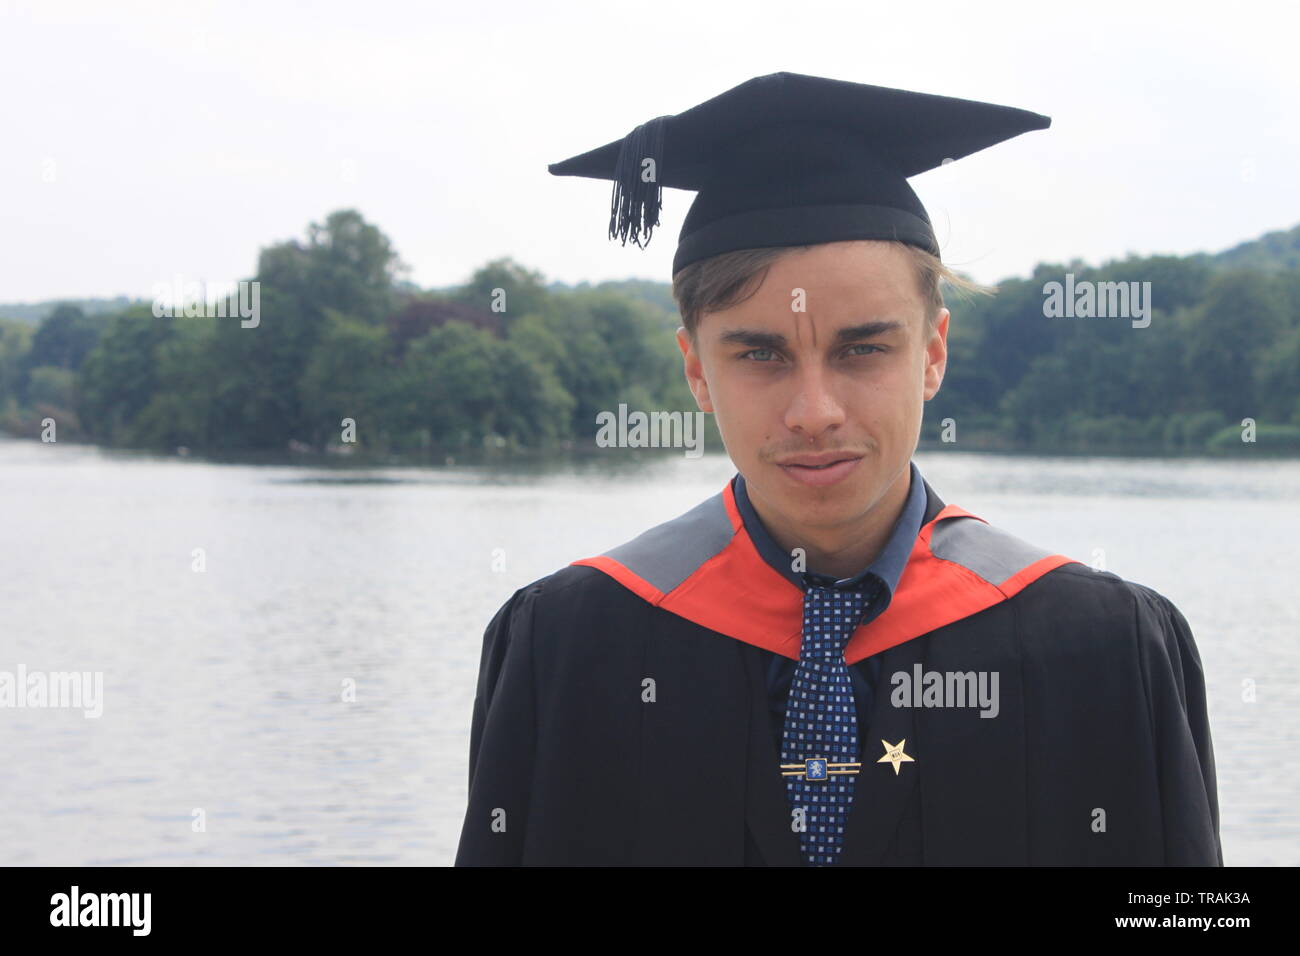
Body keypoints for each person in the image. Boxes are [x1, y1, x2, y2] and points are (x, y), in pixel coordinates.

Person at [454, 72, 1222, 866]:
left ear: (932, 353)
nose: (813, 410)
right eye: (760, 353)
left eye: (862, 348)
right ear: (694, 370)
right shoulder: (570, 646)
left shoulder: (1103, 649)